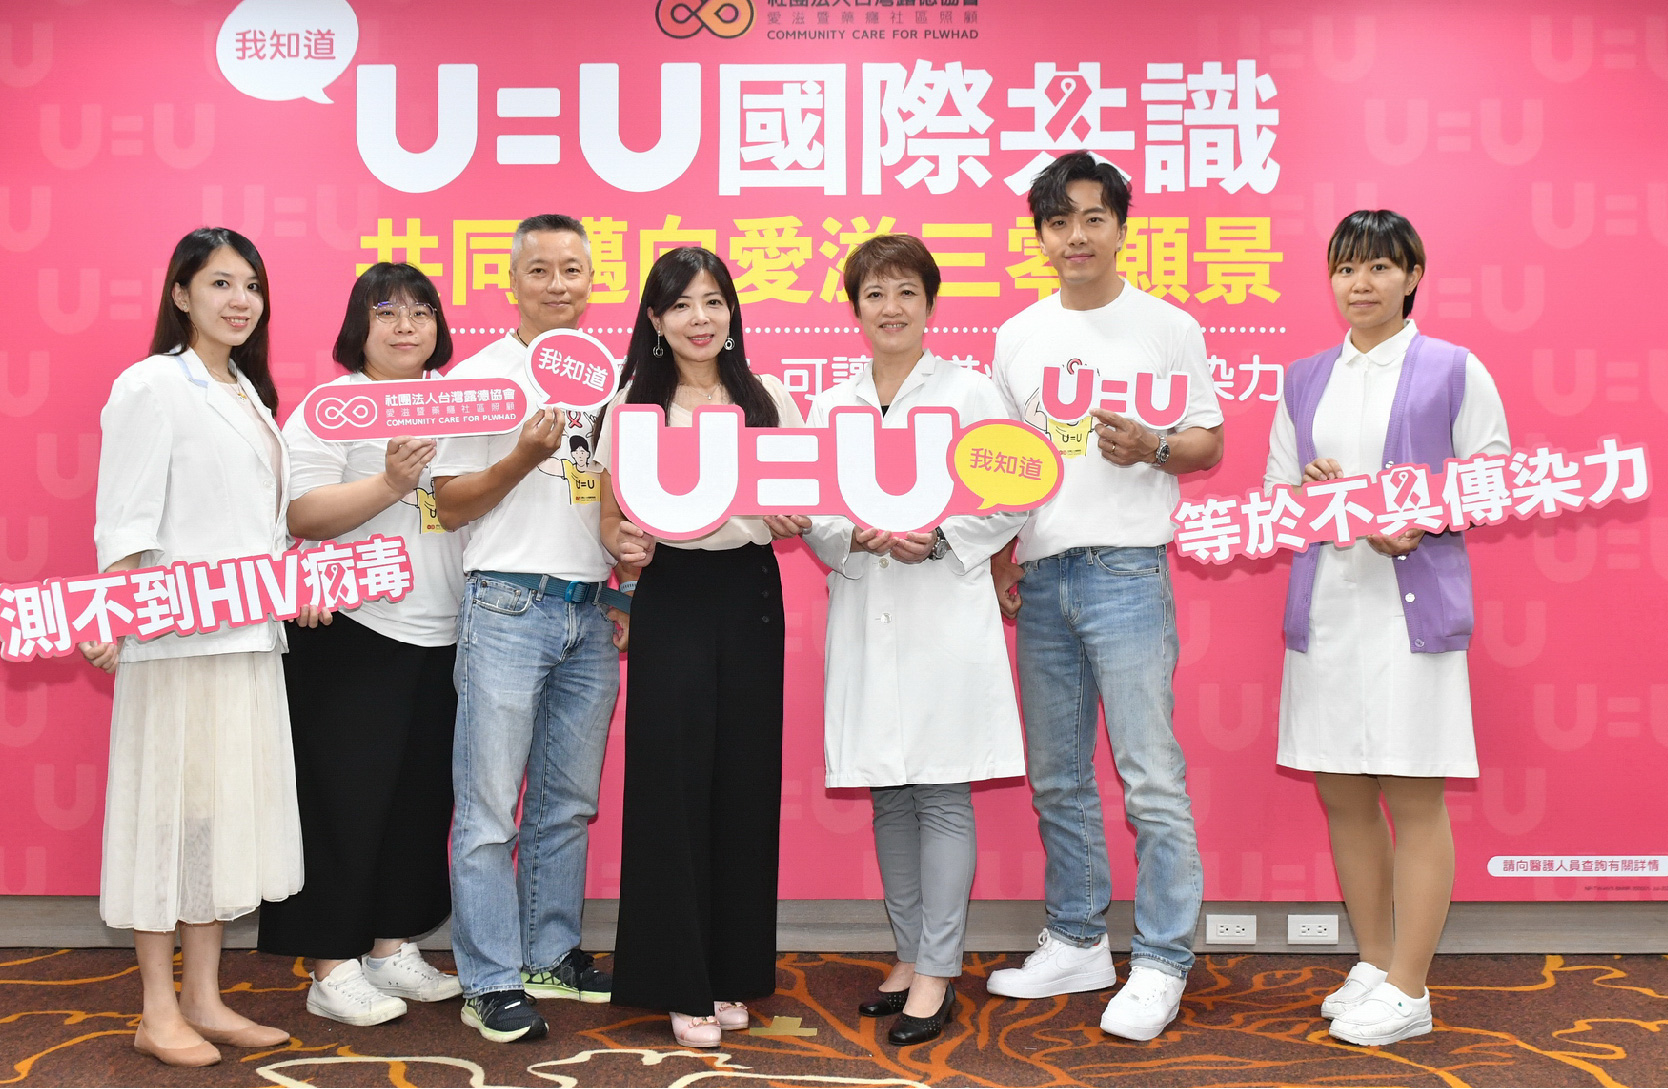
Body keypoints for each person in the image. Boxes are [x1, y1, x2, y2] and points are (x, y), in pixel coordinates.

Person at [985, 152, 1224, 1041]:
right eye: (1059, 222)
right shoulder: (1017, 335)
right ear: (1041, 235)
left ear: (1121, 226)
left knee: (1149, 776)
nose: (1076, 236)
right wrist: (1004, 555)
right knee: (1057, 775)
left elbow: (1208, 440)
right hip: (1042, 572)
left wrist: (1153, 446)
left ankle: (1161, 958)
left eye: (1093, 218)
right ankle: (1079, 938)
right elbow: (1003, 463)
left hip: (1127, 570)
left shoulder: (1168, 326)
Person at [1265, 211, 1509, 1046]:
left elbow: (1491, 477)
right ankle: (1373, 962)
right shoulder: (1304, 378)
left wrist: (1421, 518)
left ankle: (1410, 986)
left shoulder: (1452, 368)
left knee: (1412, 792)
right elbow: (1277, 500)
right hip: (1328, 611)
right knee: (1342, 792)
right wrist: (1312, 493)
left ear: (1412, 276)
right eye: (1345, 269)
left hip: (1413, 620)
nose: (1360, 284)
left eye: (1377, 267)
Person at [80, 227, 302, 1067]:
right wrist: (112, 612)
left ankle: (204, 997)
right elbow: (125, 517)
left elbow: (262, 525)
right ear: (181, 294)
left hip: (247, 639)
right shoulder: (151, 384)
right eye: (220, 283)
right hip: (174, 638)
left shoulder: (248, 392)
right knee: (164, 814)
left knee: (216, 817)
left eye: (252, 286)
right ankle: (155, 1008)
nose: (241, 301)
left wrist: (295, 586)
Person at [802, 235, 1027, 1047]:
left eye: (905, 292)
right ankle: (908, 952)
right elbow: (813, 506)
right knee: (888, 793)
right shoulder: (831, 405)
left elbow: (1016, 493)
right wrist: (848, 536)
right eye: (874, 294)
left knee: (940, 789)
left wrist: (941, 539)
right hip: (867, 604)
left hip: (944, 611)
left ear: (930, 303)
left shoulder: (970, 392)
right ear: (855, 309)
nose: (890, 307)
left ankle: (937, 966)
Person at [595, 247, 807, 1049]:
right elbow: (611, 521)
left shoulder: (768, 396)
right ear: (655, 319)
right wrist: (624, 545)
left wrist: (794, 515)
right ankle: (677, 979)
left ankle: (727, 971)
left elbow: (800, 501)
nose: (700, 318)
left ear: (732, 312)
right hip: (674, 594)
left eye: (713, 301)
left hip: (751, 593)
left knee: (744, 782)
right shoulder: (632, 405)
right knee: (672, 784)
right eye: (681, 304)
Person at [430, 215, 628, 1043]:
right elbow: (446, 503)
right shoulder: (480, 377)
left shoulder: (612, 378)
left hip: (591, 609)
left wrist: (625, 591)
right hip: (507, 605)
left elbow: (619, 503)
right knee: (488, 809)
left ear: (592, 281)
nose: (557, 284)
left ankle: (550, 953)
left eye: (572, 269)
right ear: (511, 281)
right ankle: (489, 977)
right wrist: (517, 456)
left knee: (566, 802)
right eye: (539, 269)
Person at [257, 263, 465, 1025]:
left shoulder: (463, 403)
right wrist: (389, 483)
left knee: (417, 802)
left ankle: (388, 946)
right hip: (351, 630)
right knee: (342, 802)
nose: (406, 325)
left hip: (445, 630)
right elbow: (303, 512)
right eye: (387, 312)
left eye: (421, 311)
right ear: (359, 326)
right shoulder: (333, 405)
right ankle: (329, 963)